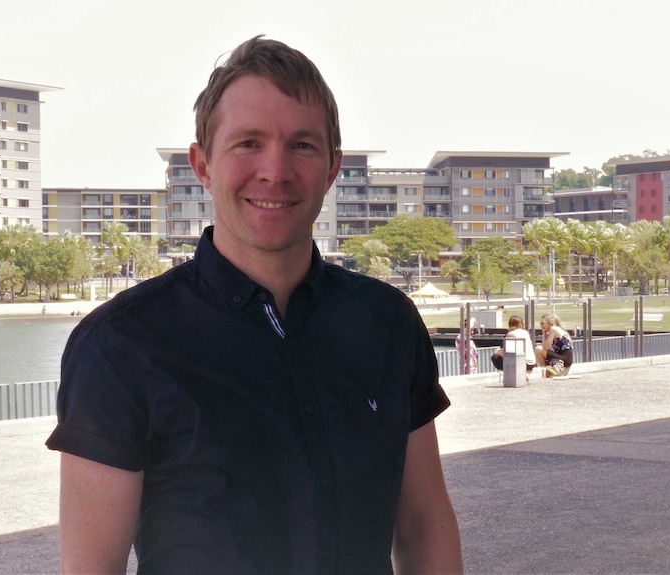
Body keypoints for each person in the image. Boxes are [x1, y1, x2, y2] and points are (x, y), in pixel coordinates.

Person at [46, 36, 463, 575]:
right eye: (248, 143)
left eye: (302, 146)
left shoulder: (386, 322)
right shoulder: (120, 345)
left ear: (333, 168)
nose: (276, 170)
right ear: (203, 165)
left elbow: (424, 524)